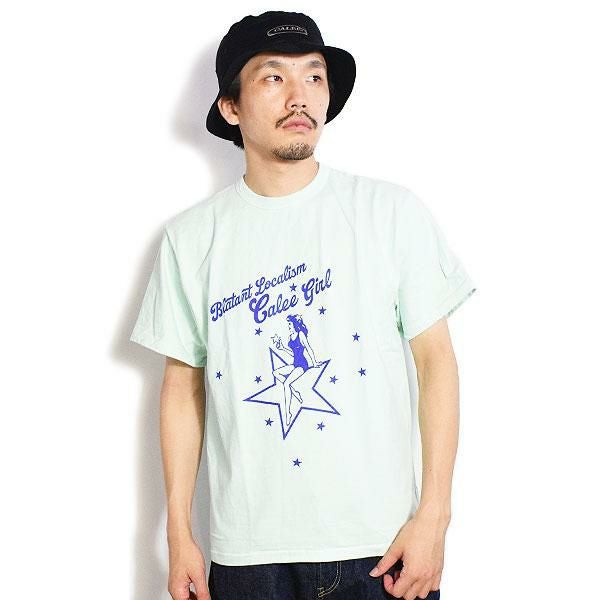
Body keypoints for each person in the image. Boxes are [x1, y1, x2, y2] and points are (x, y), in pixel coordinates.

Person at [129, 10, 477, 600]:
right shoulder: (191, 239)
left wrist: (435, 517)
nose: (301, 96)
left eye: (314, 76)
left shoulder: (390, 213)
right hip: (249, 557)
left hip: (382, 548)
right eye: (273, 77)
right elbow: (181, 386)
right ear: (230, 107)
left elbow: (436, 362)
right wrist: (178, 533)